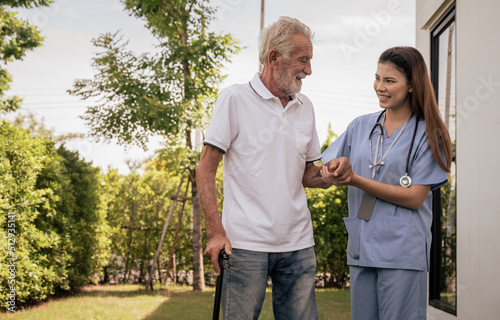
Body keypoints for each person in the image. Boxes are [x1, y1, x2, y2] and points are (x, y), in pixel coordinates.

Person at [196, 16, 351, 320]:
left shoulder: (305, 106)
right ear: (274, 57)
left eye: (310, 60)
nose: (309, 69)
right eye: (303, 60)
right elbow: (205, 169)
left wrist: (329, 175)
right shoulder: (234, 99)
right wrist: (215, 233)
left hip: (299, 245)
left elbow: (308, 172)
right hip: (244, 246)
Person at [321, 46, 453, 320]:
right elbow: (324, 170)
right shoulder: (360, 126)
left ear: (412, 86)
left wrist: (355, 179)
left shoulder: (427, 135)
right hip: (362, 248)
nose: (379, 87)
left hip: (401, 252)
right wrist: (332, 170)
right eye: (377, 78)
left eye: (390, 80)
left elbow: (415, 197)